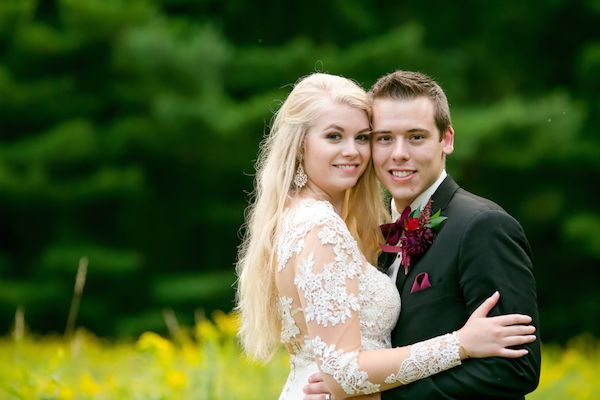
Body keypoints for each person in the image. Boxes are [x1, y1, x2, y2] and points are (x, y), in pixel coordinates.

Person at [235, 72, 536, 400]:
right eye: (383, 138)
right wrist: (458, 344)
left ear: (446, 139)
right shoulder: (351, 233)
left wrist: (380, 394)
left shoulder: (483, 227)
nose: (399, 154)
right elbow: (345, 368)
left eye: (416, 137)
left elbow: (516, 368)